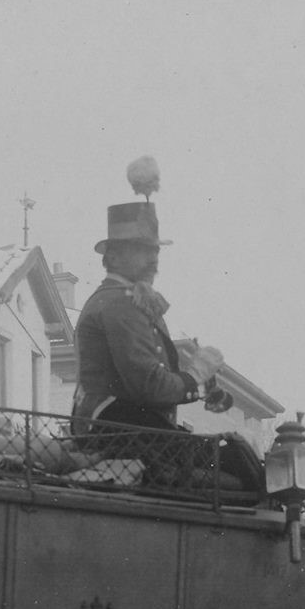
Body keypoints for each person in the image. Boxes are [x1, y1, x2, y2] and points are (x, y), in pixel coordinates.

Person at [71, 193, 261, 492]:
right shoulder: (119, 305)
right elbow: (149, 385)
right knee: (242, 464)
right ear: (113, 257)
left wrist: (201, 386)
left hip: (131, 428)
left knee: (235, 461)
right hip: (118, 428)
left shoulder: (127, 301)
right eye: (141, 250)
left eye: (155, 250)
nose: (153, 258)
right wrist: (195, 376)